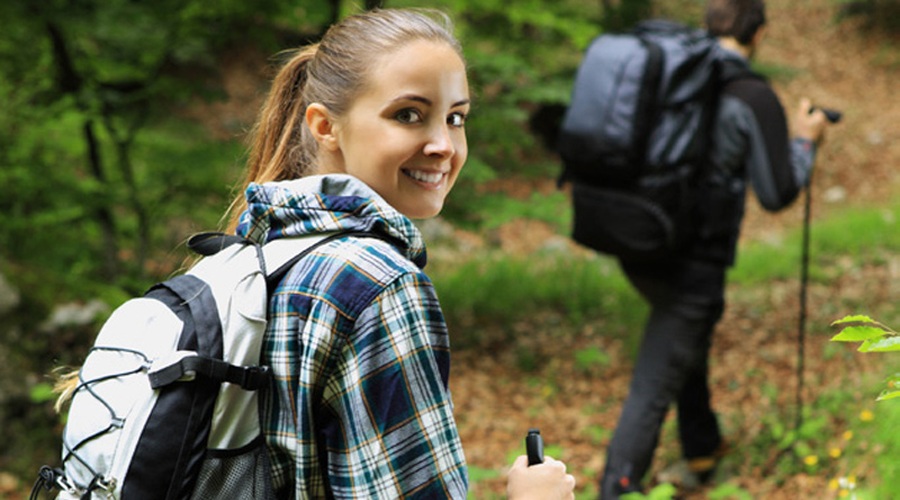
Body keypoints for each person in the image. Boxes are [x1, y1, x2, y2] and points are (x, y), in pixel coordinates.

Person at [221, 8, 575, 499]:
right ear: (325, 127)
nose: (443, 145)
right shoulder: (375, 284)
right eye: (408, 114)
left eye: (456, 118)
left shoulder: (247, 259)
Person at [598, 0, 832, 498]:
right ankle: (615, 487)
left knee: (685, 340)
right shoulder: (751, 94)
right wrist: (805, 141)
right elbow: (777, 193)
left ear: (709, 24)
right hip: (694, 263)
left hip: (636, 242)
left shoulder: (668, 75)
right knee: (654, 380)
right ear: (759, 33)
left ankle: (702, 451)